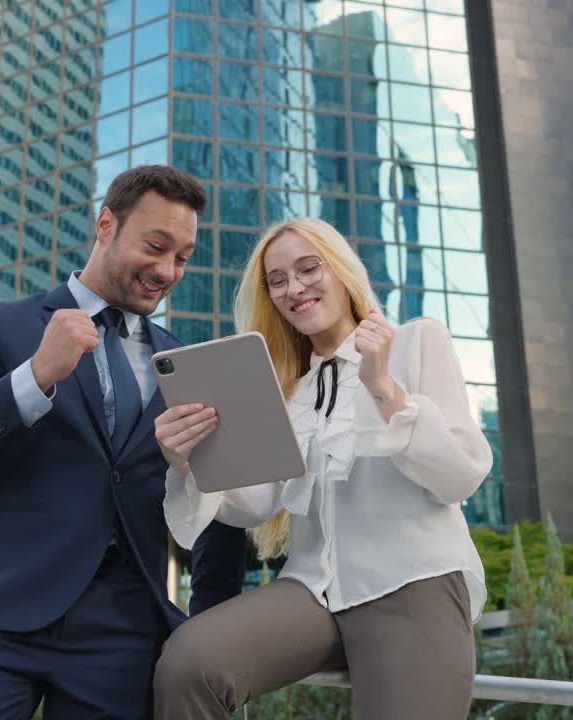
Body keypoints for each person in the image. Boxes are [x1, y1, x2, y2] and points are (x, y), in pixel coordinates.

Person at [0, 165, 247, 720]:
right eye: (155, 246)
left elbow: (221, 506)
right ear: (106, 224)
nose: (167, 271)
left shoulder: (187, 363)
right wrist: (36, 375)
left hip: (124, 635)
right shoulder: (2, 325)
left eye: (182, 258)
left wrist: (211, 628)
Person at [152, 217, 491, 719]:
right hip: (313, 591)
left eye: (309, 269)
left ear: (342, 269)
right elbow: (256, 504)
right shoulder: (287, 390)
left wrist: (385, 391)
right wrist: (187, 462)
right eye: (277, 280)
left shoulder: (416, 341)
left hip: (412, 582)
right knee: (189, 663)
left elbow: (460, 476)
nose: (294, 288)